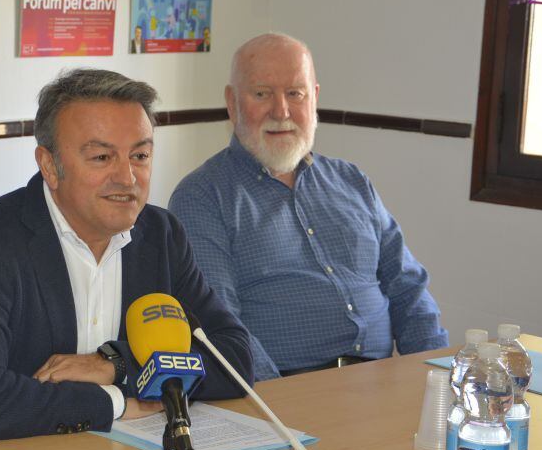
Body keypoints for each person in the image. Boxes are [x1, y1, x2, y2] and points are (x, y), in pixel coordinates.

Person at [0, 68, 264, 443]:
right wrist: (112, 402)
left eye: (140, 155)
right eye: (102, 157)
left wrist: (117, 366)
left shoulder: (161, 236)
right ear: (50, 165)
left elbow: (233, 360)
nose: (128, 178)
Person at [169, 34, 448, 379]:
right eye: (262, 94)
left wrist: (436, 374)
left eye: (294, 94)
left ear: (313, 98)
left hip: (381, 381)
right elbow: (219, 323)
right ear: (232, 102)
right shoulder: (202, 197)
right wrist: (282, 403)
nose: (281, 111)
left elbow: (408, 287)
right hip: (288, 389)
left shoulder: (352, 180)